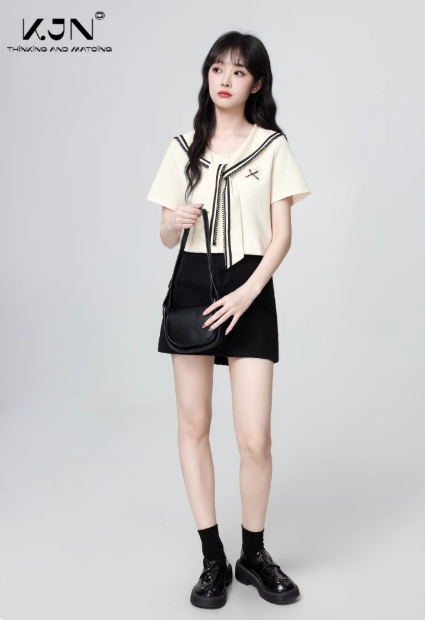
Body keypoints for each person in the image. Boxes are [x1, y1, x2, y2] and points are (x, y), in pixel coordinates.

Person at [147, 30, 311, 608]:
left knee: (254, 438)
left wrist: (247, 294)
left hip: (250, 286)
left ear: (256, 83)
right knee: (194, 425)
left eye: (239, 71)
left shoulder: (271, 147)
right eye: (218, 68)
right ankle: (212, 558)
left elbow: (282, 237)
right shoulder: (182, 148)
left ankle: (253, 555)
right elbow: (166, 236)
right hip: (194, 281)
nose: (225, 79)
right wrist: (174, 221)